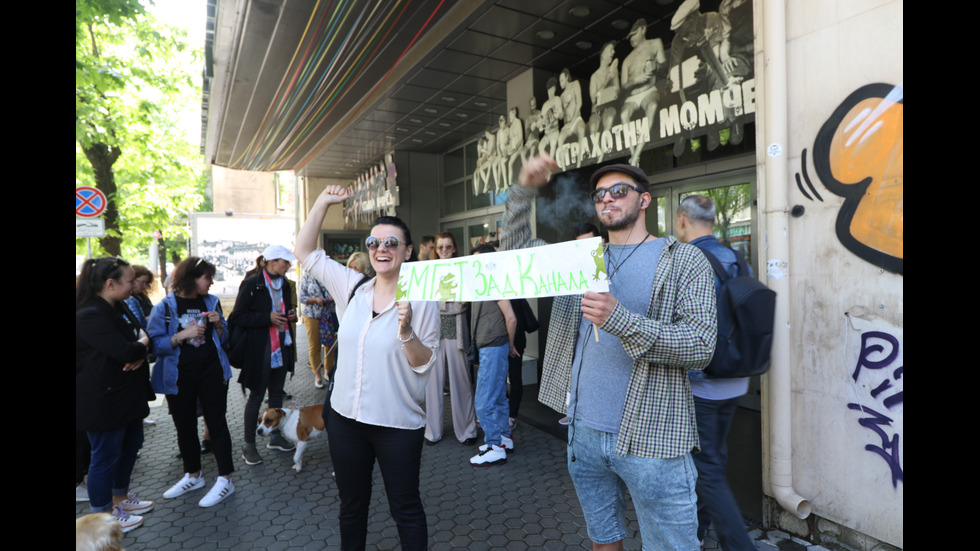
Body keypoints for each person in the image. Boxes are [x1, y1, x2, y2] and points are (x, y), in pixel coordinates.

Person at [504, 153, 717, 550]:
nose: (608, 199)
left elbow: (701, 345)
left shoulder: (684, 260)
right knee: (603, 542)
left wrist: (620, 319)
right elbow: (515, 254)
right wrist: (524, 190)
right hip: (583, 432)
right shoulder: (582, 258)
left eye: (620, 191)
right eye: (600, 194)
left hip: (654, 439)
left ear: (645, 199)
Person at [295, 185, 438, 551]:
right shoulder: (353, 287)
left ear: (407, 250)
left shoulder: (422, 298)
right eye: (374, 243)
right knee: (351, 507)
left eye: (392, 242)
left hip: (396, 424)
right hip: (345, 420)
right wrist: (323, 202)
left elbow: (424, 363)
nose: (381, 249)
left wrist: (406, 333)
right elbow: (305, 252)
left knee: (405, 509)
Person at [675, 194, 755, 551]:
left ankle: (738, 545)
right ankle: (698, 531)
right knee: (713, 462)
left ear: (681, 221)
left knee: (705, 471)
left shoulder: (687, 259)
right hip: (736, 377)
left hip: (703, 381)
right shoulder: (736, 258)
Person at [148, 257, 237, 507]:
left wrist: (220, 325)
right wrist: (181, 335)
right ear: (191, 278)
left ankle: (225, 479)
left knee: (217, 424)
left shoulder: (211, 301)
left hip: (212, 373)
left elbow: (225, 336)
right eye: (207, 277)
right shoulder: (165, 306)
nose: (211, 282)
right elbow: (154, 344)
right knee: (184, 425)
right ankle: (193, 474)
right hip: (179, 377)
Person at [76, 257, 155, 532]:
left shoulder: (118, 306)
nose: (136, 285)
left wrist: (141, 347)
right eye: (130, 280)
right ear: (110, 284)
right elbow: (129, 348)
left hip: (126, 396)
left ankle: (120, 498)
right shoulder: (89, 315)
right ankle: (103, 519)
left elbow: (145, 334)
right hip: (103, 400)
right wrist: (140, 346)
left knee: (130, 446)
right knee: (105, 455)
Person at [229, 245, 299, 466]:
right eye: (285, 262)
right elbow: (237, 317)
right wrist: (266, 318)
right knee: (256, 397)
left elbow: (284, 311)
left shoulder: (285, 285)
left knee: (276, 395)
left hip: (281, 347)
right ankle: (249, 445)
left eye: (288, 262)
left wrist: (290, 315)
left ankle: (276, 437)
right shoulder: (251, 284)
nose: (288, 265)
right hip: (260, 351)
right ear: (270, 262)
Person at [423, 232, 478, 447]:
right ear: (435, 250)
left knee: (461, 382)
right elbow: (426, 303)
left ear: (454, 247)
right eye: (440, 247)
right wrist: (451, 303)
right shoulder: (427, 271)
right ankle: (432, 431)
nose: (444, 250)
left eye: (448, 246)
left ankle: (467, 430)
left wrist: (441, 304)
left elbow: (464, 302)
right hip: (434, 333)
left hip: (457, 332)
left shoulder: (464, 270)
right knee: (432, 385)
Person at [468, 243, 519, 467]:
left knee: (484, 400)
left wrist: (509, 344)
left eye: (479, 260)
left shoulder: (495, 283)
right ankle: (504, 439)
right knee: (497, 396)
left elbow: (511, 318)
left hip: (493, 346)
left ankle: (494, 446)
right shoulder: (483, 283)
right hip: (492, 347)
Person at [556, 222, 603, 427]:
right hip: (578, 328)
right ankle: (573, 410)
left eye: (589, 245)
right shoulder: (572, 268)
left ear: (601, 242)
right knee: (574, 368)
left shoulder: (609, 262)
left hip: (604, 332)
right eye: (579, 246)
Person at [620, 19, 667, 165]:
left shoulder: (655, 44)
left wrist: (654, 66)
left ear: (643, 29)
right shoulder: (627, 60)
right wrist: (636, 80)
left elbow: (664, 68)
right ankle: (634, 155)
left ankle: (636, 156)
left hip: (649, 90)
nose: (632, 39)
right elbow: (623, 86)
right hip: (633, 96)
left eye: (634, 34)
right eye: (630, 37)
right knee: (623, 115)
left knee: (652, 107)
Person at [299, 270, 337, 389]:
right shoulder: (306, 276)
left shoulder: (330, 274)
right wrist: (315, 300)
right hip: (311, 315)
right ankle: (317, 376)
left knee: (330, 344)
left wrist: (333, 298)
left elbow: (339, 292)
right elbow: (302, 297)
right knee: (314, 346)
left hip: (328, 314)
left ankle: (327, 371)